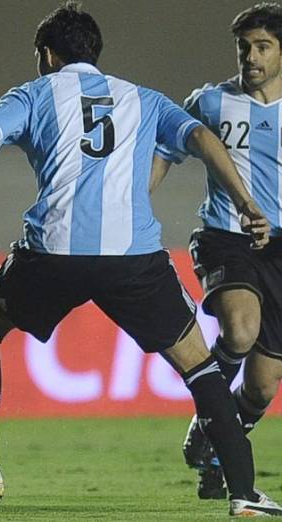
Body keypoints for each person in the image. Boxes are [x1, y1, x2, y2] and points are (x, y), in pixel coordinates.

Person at [0, 2, 282, 517]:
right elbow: (201, 137)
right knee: (200, 367)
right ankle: (244, 494)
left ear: (47, 54)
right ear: (95, 52)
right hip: (131, 258)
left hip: (51, 254)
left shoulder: (34, 93)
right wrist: (248, 204)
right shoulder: (143, 98)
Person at [153, 2, 282, 502]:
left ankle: (214, 448)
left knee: (265, 386)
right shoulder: (210, 103)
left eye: (262, 47)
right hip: (227, 236)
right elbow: (166, 151)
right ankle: (210, 419)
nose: (250, 57)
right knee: (241, 328)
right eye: (244, 47)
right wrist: (133, 208)